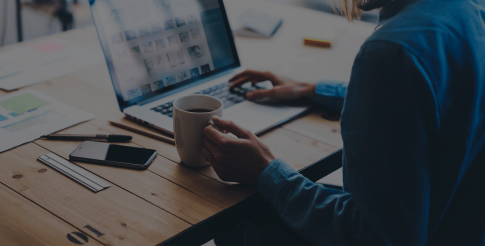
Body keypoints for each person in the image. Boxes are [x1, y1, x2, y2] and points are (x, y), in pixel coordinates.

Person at [201, 0, 485, 244]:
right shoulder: (469, 9)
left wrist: (267, 172)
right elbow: (434, 96)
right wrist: (315, 89)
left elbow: (375, 237)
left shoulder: (391, 50)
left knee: (237, 221)